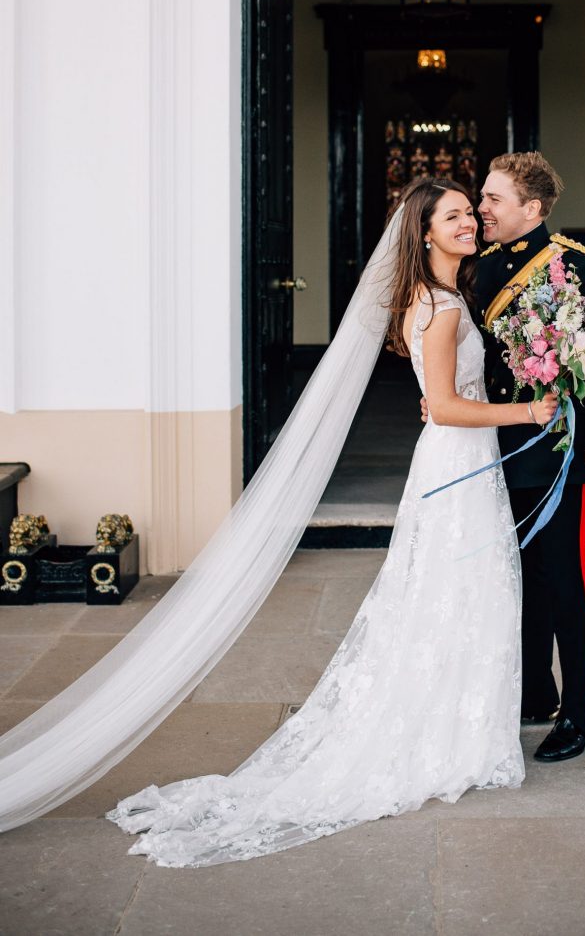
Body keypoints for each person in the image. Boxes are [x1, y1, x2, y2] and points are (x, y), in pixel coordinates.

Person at [104, 176, 558, 868]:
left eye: (472, 212)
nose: (470, 222)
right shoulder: (436, 306)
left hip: (462, 463)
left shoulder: (446, 296)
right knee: (457, 592)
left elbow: (442, 398)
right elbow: (442, 406)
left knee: (455, 595)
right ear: (425, 231)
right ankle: (448, 735)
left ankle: (458, 726)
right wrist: (528, 412)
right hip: (456, 460)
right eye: (456, 215)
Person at [430, 153, 585, 762]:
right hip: (497, 445)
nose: (482, 208)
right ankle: (535, 691)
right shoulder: (478, 269)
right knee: (520, 577)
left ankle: (581, 713)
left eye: (495, 199)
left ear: (533, 209)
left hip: (559, 453)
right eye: (483, 198)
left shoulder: (574, 268)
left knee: (567, 582)